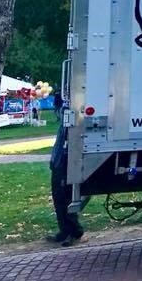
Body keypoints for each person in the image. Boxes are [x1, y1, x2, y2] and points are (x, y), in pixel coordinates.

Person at [47, 104, 84, 246]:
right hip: (59, 160)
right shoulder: (65, 113)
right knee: (58, 197)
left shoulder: (73, 112)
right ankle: (64, 230)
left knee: (67, 197)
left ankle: (74, 231)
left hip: (67, 159)